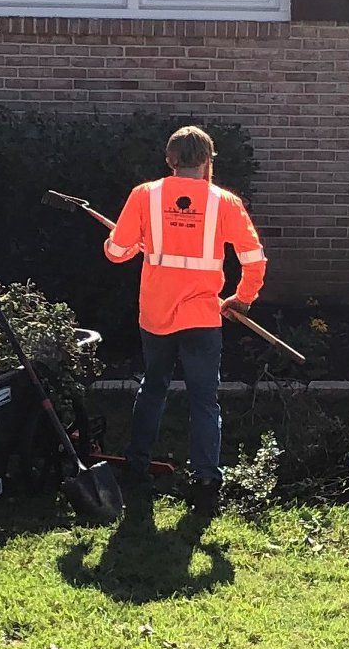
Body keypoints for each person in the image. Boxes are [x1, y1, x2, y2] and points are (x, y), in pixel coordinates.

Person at [103, 126, 266, 509]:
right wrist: (242, 299)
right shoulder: (224, 202)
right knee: (205, 400)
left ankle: (137, 465)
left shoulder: (144, 195)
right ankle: (206, 478)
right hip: (203, 316)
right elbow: (254, 259)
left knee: (154, 386)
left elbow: (117, 252)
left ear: (170, 160)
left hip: (156, 314)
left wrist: (118, 243)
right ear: (208, 161)